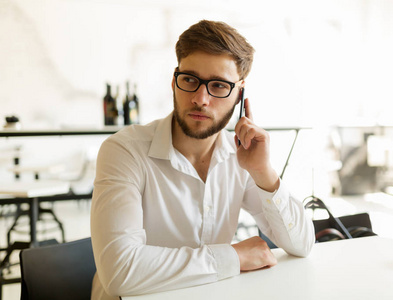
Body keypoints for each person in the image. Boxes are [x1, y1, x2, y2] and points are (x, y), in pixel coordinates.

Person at [90, 20, 315, 300]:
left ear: (239, 93)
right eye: (190, 80)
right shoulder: (124, 151)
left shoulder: (240, 156)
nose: (200, 98)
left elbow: (302, 244)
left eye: (219, 85)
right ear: (175, 81)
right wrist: (233, 256)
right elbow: (120, 273)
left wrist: (264, 174)